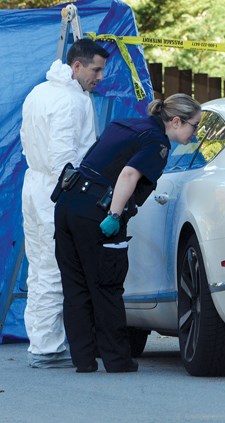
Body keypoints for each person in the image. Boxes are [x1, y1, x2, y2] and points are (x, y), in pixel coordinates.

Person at [54, 93, 202, 373]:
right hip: (97, 213)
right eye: (194, 126)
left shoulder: (125, 124)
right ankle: (117, 360)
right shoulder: (156, 142)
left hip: (68, 203)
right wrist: (114, 214)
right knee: (107, 287)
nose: (194, 135)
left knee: (75, 287)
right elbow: (128, 175)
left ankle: (84, 361)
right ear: (175, 120)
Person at [20, 38, 109, 369]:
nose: (99, 77)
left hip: (35, 185)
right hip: (57, 190)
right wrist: (77, 198)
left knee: (40, 267)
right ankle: (49, 348)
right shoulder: (72, 102)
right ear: (77, 66)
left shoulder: (38, 93)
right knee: (58, 268)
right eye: (96, 70)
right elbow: (64, 156)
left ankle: (43, 342)